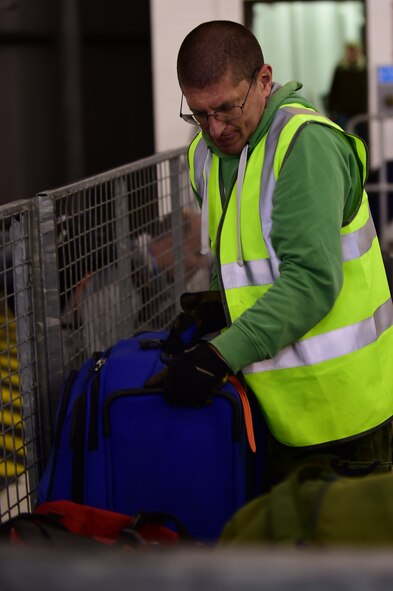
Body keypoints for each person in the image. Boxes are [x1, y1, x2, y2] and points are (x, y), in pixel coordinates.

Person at [162, 20, 393, 488]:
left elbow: (312, 280)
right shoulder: (206, 156)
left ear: (265, 80)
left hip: (344, 418)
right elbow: (235, 258)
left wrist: (220, 355)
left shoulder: (305, 146)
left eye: (227, 108)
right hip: (274, 410)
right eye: (199, 114)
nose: (215, 128)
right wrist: (206, 314)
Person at [326, 41, 368, 142]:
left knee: (364, 139)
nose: (352, 54)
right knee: (343, 140)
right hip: (343, 112)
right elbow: (334, 90)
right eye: (350, 51)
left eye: (354, 51)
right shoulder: (340, 69)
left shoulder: (364, 69)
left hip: (361, 111)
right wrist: (331, 110)